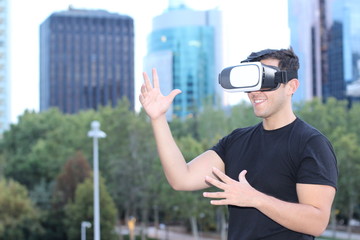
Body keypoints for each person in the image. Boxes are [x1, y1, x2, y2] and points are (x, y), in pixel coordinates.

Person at [139, 48, 338, 240]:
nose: (255, 92)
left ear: (292, 86)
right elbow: (182, 178)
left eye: (266, 81)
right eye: (251, 83)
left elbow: (317, 222)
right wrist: (158, 119)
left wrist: (255, 198)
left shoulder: (311, 144)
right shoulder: (236, 141)